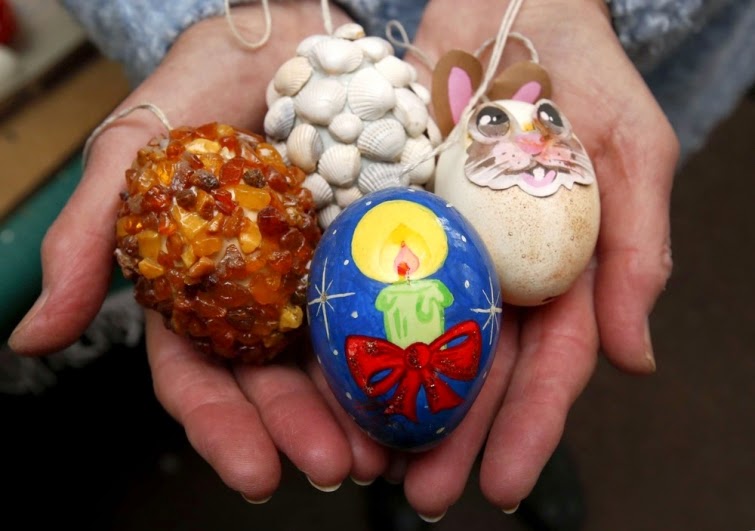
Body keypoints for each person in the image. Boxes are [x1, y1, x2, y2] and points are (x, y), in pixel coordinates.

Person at [8, 0, 754, 522]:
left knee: (526, 369)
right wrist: (201, 12)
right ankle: (404, 448)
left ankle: (449, 421)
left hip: (629, 49)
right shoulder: (324, 136)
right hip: (312, 58)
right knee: (414, 412)